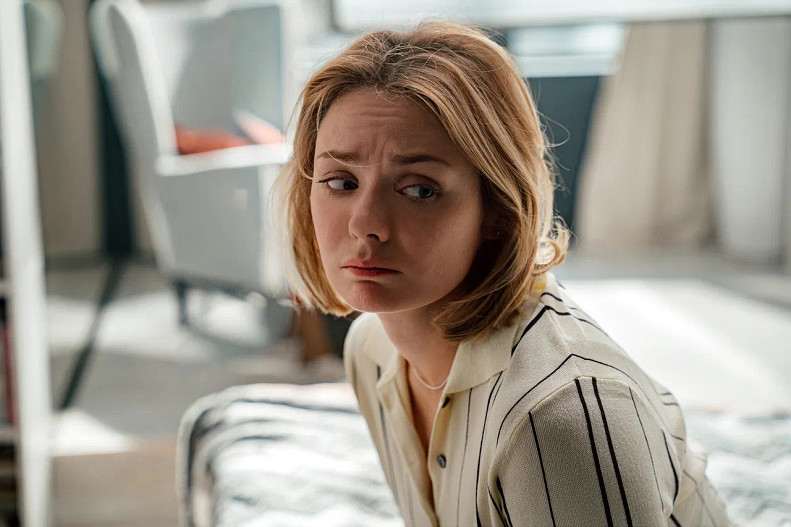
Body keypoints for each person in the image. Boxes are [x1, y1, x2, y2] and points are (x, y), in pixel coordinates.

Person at [275, 21, 733, 526]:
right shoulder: (372, 351)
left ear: (497, 207)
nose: (365, 223)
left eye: (419, 190)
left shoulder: (556, 419)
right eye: (341, 182)